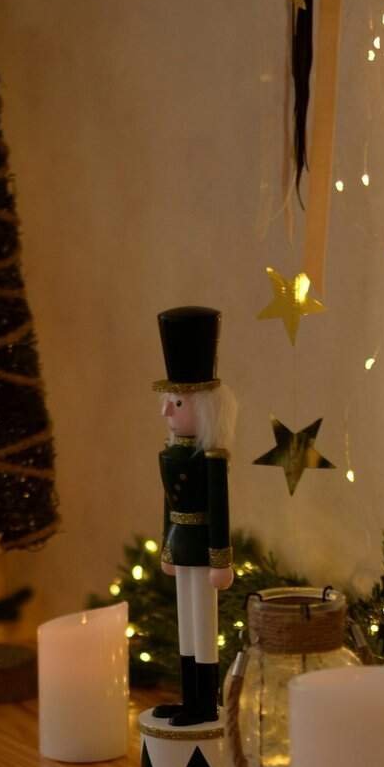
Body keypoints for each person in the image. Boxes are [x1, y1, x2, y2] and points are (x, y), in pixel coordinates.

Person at [152, 305, 235, 726]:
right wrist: (165, 546)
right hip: (180, 546)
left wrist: (221, 558)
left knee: (204, 625)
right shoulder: (170, 453)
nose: (168, 411)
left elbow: (219, 510)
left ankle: (204, 703)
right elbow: (167, 503)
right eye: (168, 401)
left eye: (177, 402)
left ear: (202, 408)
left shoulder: (212, 458)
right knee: (185, 622)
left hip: (203, 549)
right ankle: (187, 698)